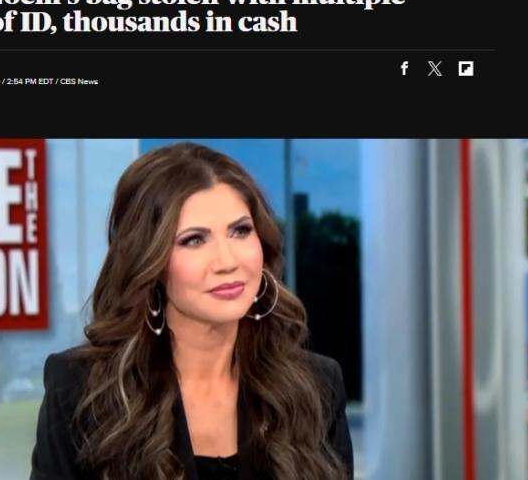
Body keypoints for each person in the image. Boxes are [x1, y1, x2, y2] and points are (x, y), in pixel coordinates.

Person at [30, 143, 353, 480]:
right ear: (149, 260)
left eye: (240, 231)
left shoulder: (316, 387)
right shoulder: (80, 391)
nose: (227, 262)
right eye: (194, 240)